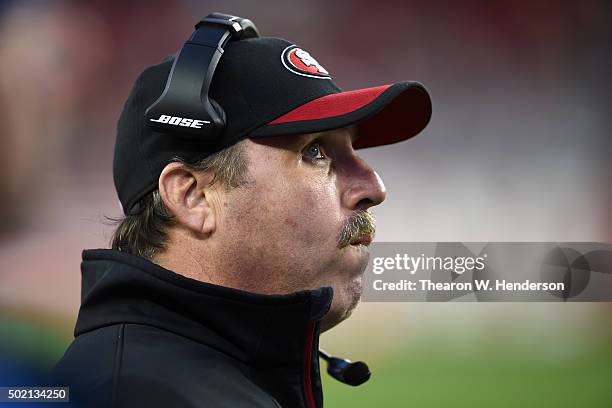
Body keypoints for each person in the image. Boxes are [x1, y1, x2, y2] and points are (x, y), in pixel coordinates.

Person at [51, 13, 432, 408]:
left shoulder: (187, 381)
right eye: (315, 151)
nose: (374, 188)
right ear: (192, 197)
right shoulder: (133, 395)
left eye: (353, 149)